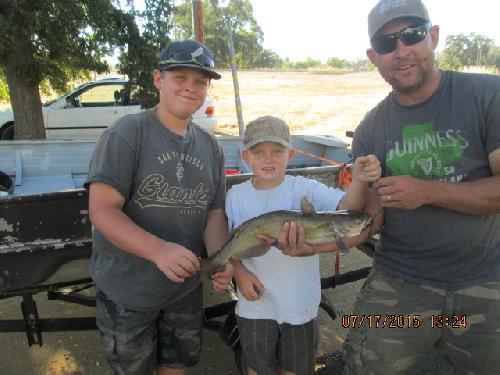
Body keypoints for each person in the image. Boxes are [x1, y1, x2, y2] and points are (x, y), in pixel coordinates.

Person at [342, 1, 500, 374]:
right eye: (387, 44)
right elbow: (369, 219)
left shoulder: (487, 95)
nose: (401, 51)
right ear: (373, 57)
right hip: (401, 285)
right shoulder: (370, 130)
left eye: (411, 35)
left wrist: (428, 192)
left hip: (487, 283)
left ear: (433, 36)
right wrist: (320, 239)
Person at [85, 39, 233, 375]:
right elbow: (102, 209)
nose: (190, 88)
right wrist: (158, 250)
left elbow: (213, 212)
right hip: (128, 291)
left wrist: (220, 258)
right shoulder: (127, 134)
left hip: (184, 290)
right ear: (158, 79)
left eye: (200, 82)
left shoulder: (211, 147)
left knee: (175, 368)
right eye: (180, 77)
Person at [225, 115, 382, 375]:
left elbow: (346, 209)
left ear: (291, 154)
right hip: (254, 305)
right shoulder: (235, 196)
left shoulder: (306, 189)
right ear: (246, 156)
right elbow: (228, 243)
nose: (268, 158)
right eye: (259, 151)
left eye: (277, 151)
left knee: (298, 368)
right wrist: (237, 273)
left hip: (300, 304)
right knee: (256, 367)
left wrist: (359, 180)